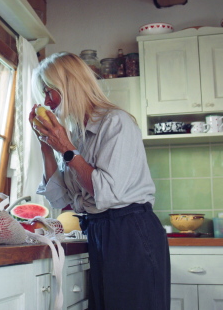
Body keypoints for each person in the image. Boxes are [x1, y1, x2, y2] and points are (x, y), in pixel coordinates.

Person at [29, 52, 170, 310]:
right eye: (44, 94)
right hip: (99, 232)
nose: (47, 102)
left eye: (50, 91)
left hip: (130, 230)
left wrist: (67, 149)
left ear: (69, 85)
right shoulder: (78, 136)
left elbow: (106, 191)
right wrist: (47, 146)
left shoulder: (116, 123)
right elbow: (60, 198)